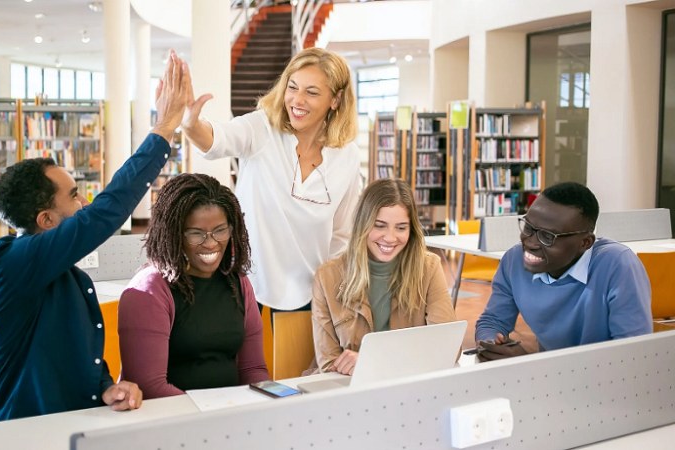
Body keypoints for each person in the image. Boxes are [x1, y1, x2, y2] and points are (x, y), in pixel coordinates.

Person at [0, 51, 190, 423]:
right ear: (45, 219)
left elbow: (76, 355)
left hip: (75, 428)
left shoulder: (69, 276)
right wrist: (164, 129)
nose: (84, 202)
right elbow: (104, 214)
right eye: (74, 195)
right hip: (22, 436)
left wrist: (107, 386)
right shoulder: (9, 262)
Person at [180, 47, 361, 313]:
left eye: (311, 92)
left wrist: (333, 293)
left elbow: (342, 235)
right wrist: (191, 125)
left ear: (336, 100)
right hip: (245, 286)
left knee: (296, 357)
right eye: (292, 87)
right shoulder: (262, 128)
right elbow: (218, 139)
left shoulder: (348, 156)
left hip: (311, 294)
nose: (297, 100)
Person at [118, 174, 269, 399]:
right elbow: (149, 387)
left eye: (220, 230)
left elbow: (253, 370)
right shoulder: (148, 291)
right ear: (174, 234)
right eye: (196, 234)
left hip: (229, 415)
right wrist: (213, 415)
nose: (210, 243)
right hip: (173, 420)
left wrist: (271, 401)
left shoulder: (237, 282)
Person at [475, 182, 653, 361]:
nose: (530, 243)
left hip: (607, 382)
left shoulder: (617, 265)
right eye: (528, 228)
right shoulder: (514, 259)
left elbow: (633, 358)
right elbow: (493, 321)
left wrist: (529, 364)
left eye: (547, 237)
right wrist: (491, 343)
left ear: (585, 243)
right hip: (552, 382)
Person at [311, 179, 459, 375]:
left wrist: (372, 362)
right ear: (363, 224)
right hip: (349, 390)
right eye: (379, 226)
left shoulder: (429, 268)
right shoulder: (327, 276)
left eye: (401, 228)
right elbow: (329, 364)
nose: (390, 238)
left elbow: (449, 349)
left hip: (408, 386)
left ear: (411, 229)